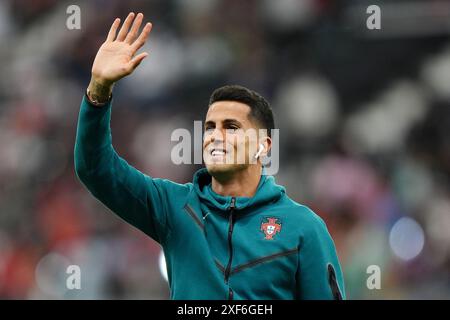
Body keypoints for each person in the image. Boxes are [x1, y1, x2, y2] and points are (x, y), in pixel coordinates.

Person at [74, 12, 345, 300]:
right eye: (209, 128)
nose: (216, 136)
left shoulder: (303, 228)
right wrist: (99, 90)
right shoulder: (175, 207)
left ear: (264, 146)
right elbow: (95, 169)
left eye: (231, 127)